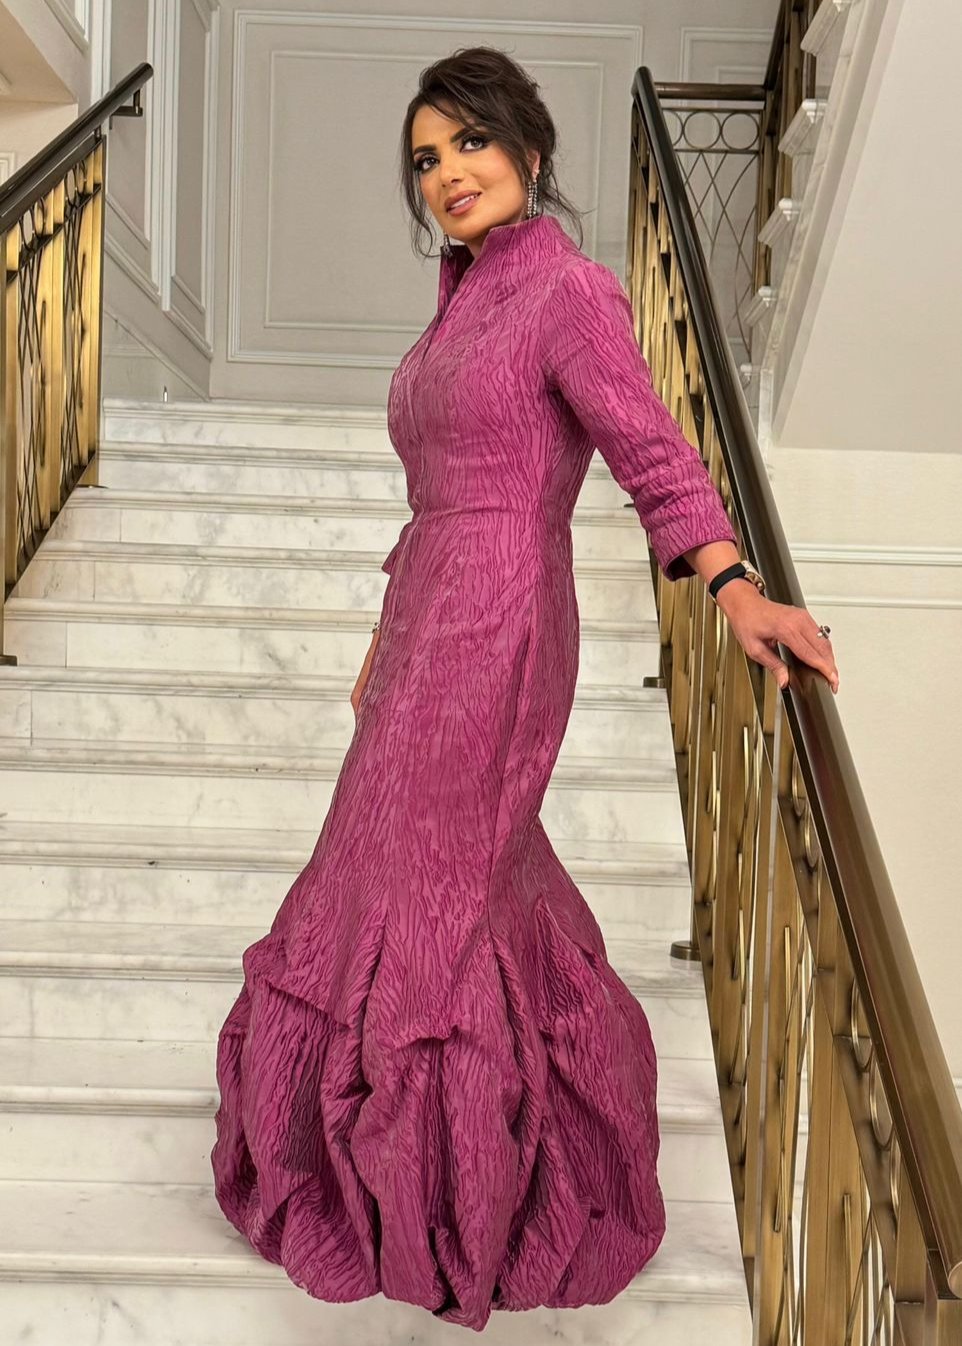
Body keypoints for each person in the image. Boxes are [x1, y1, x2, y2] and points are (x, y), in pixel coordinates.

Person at [211, 45, 840, 1334]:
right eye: (426, 158)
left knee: (436, 892)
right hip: (425, 615)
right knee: (406, 877)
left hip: (502, 615)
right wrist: (384, 638)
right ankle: (446, 1150)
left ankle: (466, 1184)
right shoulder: (457, 306)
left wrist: (737, 590)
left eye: (471, 143)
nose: (447, 173)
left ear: (530, 152)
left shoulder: (566, 290)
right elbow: (429, 499)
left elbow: (651, 453)